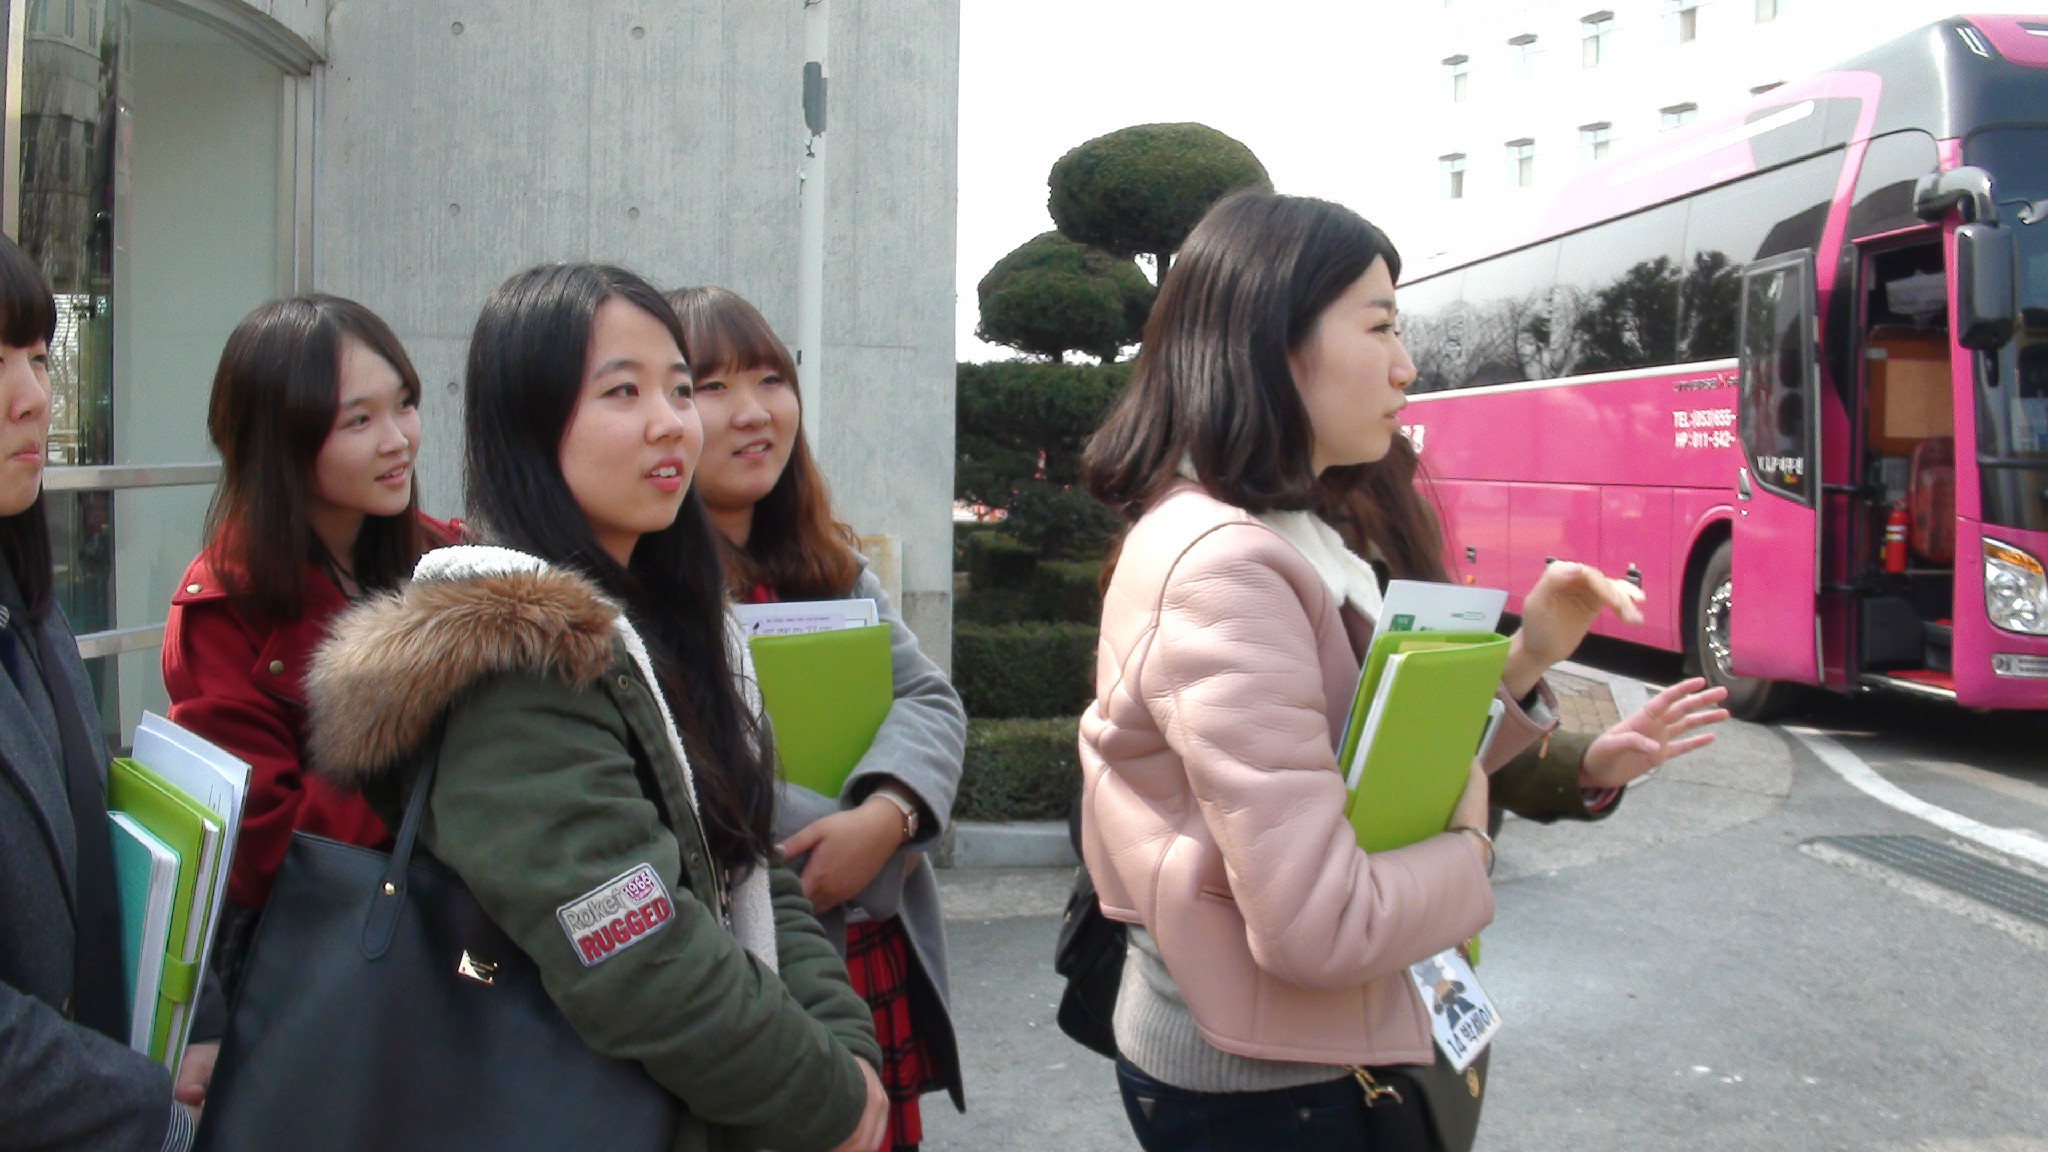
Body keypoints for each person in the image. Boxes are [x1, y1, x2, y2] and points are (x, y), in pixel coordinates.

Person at [1074, 190, 1661, 1150]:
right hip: (1272, 1086)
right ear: (1275, 345)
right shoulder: (1229, 567)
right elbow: (1319, 923)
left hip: (1290, 1053)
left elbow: (1363, 769)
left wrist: (1527, 657)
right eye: (1380, 325)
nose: (1406, 365)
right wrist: (1469, 844)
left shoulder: (1285, 531)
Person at [302, 264, 886, 1152]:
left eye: (679, 389)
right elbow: (637, 956)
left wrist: (846, 1052)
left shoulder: (669, 622)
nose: (672, 422)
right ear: (531, 423)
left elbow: (745, 855)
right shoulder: (519, 666)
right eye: (623, 391)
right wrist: (826, 1099)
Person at [670, 285, 966, 1151]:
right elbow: (697, 770)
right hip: (759, 956)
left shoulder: (830, 566)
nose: (753, 412)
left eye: (770, 378)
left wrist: (887, 816)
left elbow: (930, 700)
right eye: (713, 387)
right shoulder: (649, 592)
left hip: (872, 943)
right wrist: (839, 839)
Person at [160, 295, 458, 996]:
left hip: (454, 936)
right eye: (359, 420)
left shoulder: (446, 558)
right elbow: (267, 849)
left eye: (405, 404)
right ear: (279, 441)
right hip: (324, 964)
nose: (398, 439)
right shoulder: (223, 610)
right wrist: (437, 765)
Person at [0, 234, 218, 1150]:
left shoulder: (28, 603)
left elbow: (92, 842)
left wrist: (189, 1016)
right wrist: (140, 1103)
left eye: (36, 355)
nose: (33, 397)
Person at [1315, 432, 1730, 829]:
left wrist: (1584, 762)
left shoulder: (1386, 488)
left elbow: (1427, 737)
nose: (1403, 384)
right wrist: (1468, 850)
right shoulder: (1287, 552)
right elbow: (1381, 769)